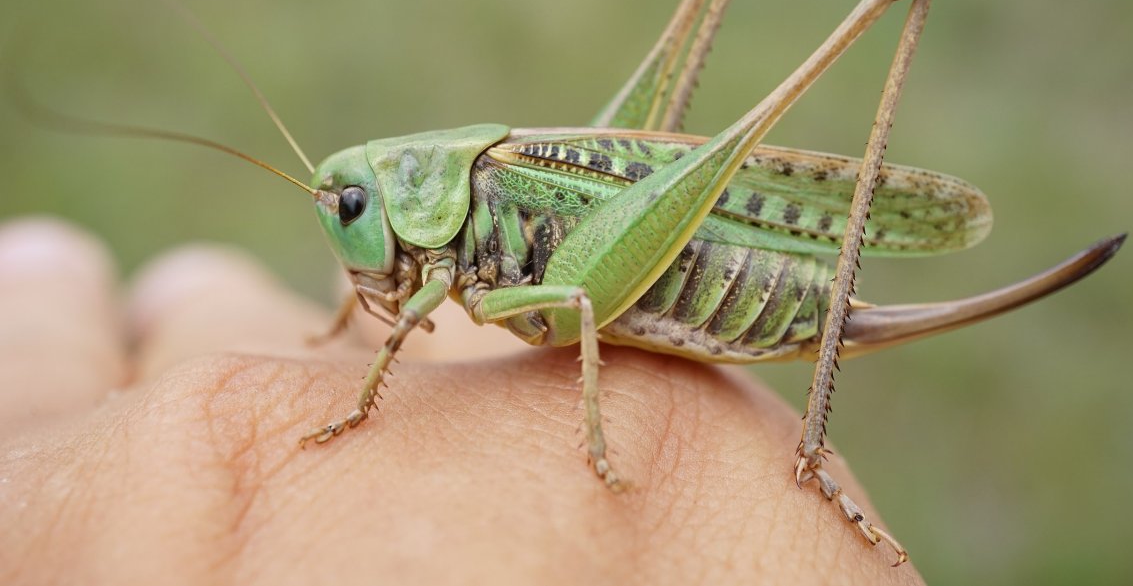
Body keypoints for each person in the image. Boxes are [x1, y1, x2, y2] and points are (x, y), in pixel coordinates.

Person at [0, 217, 921, 585]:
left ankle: (807, 462)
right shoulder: (440, 257)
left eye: (356, 208)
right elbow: (393, 301)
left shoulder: (466, 252)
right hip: (613, 258)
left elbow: (571, 303)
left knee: (573, 296)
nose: (353, 236)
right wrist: (337, 328)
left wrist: (599, 454)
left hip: (686, 281)